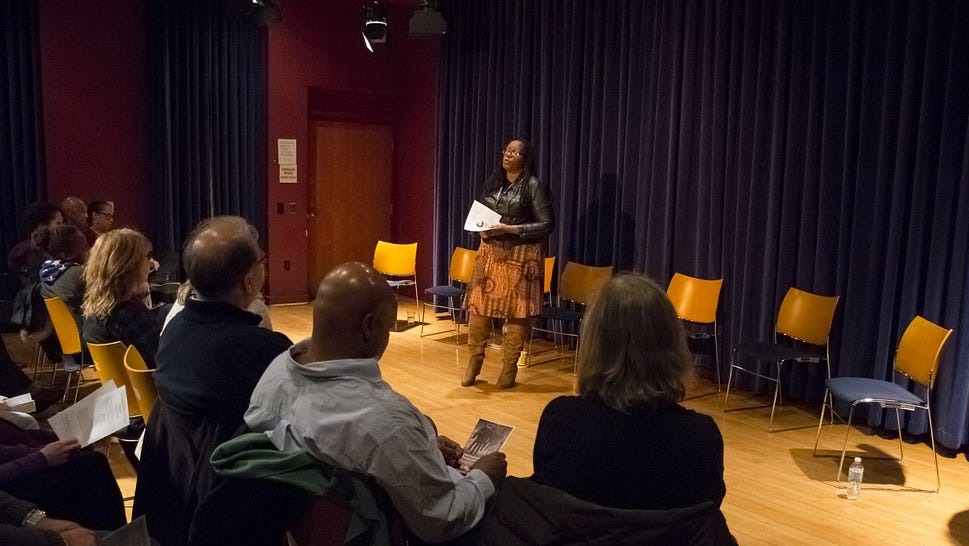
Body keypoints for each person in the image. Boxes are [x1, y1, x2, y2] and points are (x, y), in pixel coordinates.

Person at [245, 262, 507, 544]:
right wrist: (483, 477)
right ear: (369, 326)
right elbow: (444, 519)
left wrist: (421, 448)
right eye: (388, 327)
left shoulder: (275, 373)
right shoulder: (383, 420)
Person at [133, 216, 291, 546]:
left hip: (179, 501)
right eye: (262, 259)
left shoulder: (175, 330)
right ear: (250, 280)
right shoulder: (259, 350)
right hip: (234, 503)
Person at [531, 272, 725, 509]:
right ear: (673, 342)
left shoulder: (561, 420)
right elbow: (706, 513)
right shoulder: (700, 438)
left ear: (594, 342)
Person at [462, 138, 554, 389]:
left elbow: (546, 224)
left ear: (525, 160)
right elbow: (481, 212)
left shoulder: (533, 186)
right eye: (507, 150)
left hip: (521, 255)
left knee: (517, 311)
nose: (508, 155)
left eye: (515, 152)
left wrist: (511, 229)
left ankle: (509, 367)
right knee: (478, 306)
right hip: (490, 252)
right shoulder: (494, 183)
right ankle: (474, 361)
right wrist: (479, 229)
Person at [81, 229, 162, 367]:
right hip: (153, 386)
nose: (151, 262)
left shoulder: (96, 309)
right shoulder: (129, 315)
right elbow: (163, 360)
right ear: (129, 264)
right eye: (148, 256)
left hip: (122, 387)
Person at [39, 226, 90, 330]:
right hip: (87, 339)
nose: (90, 249)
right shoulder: (80, 274)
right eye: (85, 247)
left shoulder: (46, 272)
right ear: (68, 255)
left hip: (68, 339)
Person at [7, 203, 63, 287]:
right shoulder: (35, 255)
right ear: (41, 226)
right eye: (59, 223)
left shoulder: (21, 250)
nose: (64, 227)